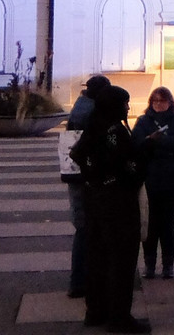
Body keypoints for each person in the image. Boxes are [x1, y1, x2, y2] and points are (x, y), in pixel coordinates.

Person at [70, 85, 149, 333]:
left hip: (94, 199)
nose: (127, 107)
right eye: (125, 103)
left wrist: (94, 175)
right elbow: (127, 164)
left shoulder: (94, 126)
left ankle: (95, 310)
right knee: (121, 260)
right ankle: (119, 317)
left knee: (98, 258)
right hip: (116, 204)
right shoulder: (114, 131)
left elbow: (79, 154)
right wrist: (144, 153)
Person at [131, 87, 174, 280]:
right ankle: (149, 264)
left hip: (173, 179)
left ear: (169, 102)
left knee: (168, 223)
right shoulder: (143, 120)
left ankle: (168, 264)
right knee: (151, 223)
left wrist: (156, 142)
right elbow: (137, 144)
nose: (158, 104)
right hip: (151, 178)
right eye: (155, 101)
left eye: (162, 101)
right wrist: (153, 142)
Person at [61, 74, 110, 299]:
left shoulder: (81, 106)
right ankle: (80, 281)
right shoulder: (91, 113)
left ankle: (79, 280)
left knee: (83, 229)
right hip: (86, 179)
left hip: (76, 176)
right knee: (86, 230)